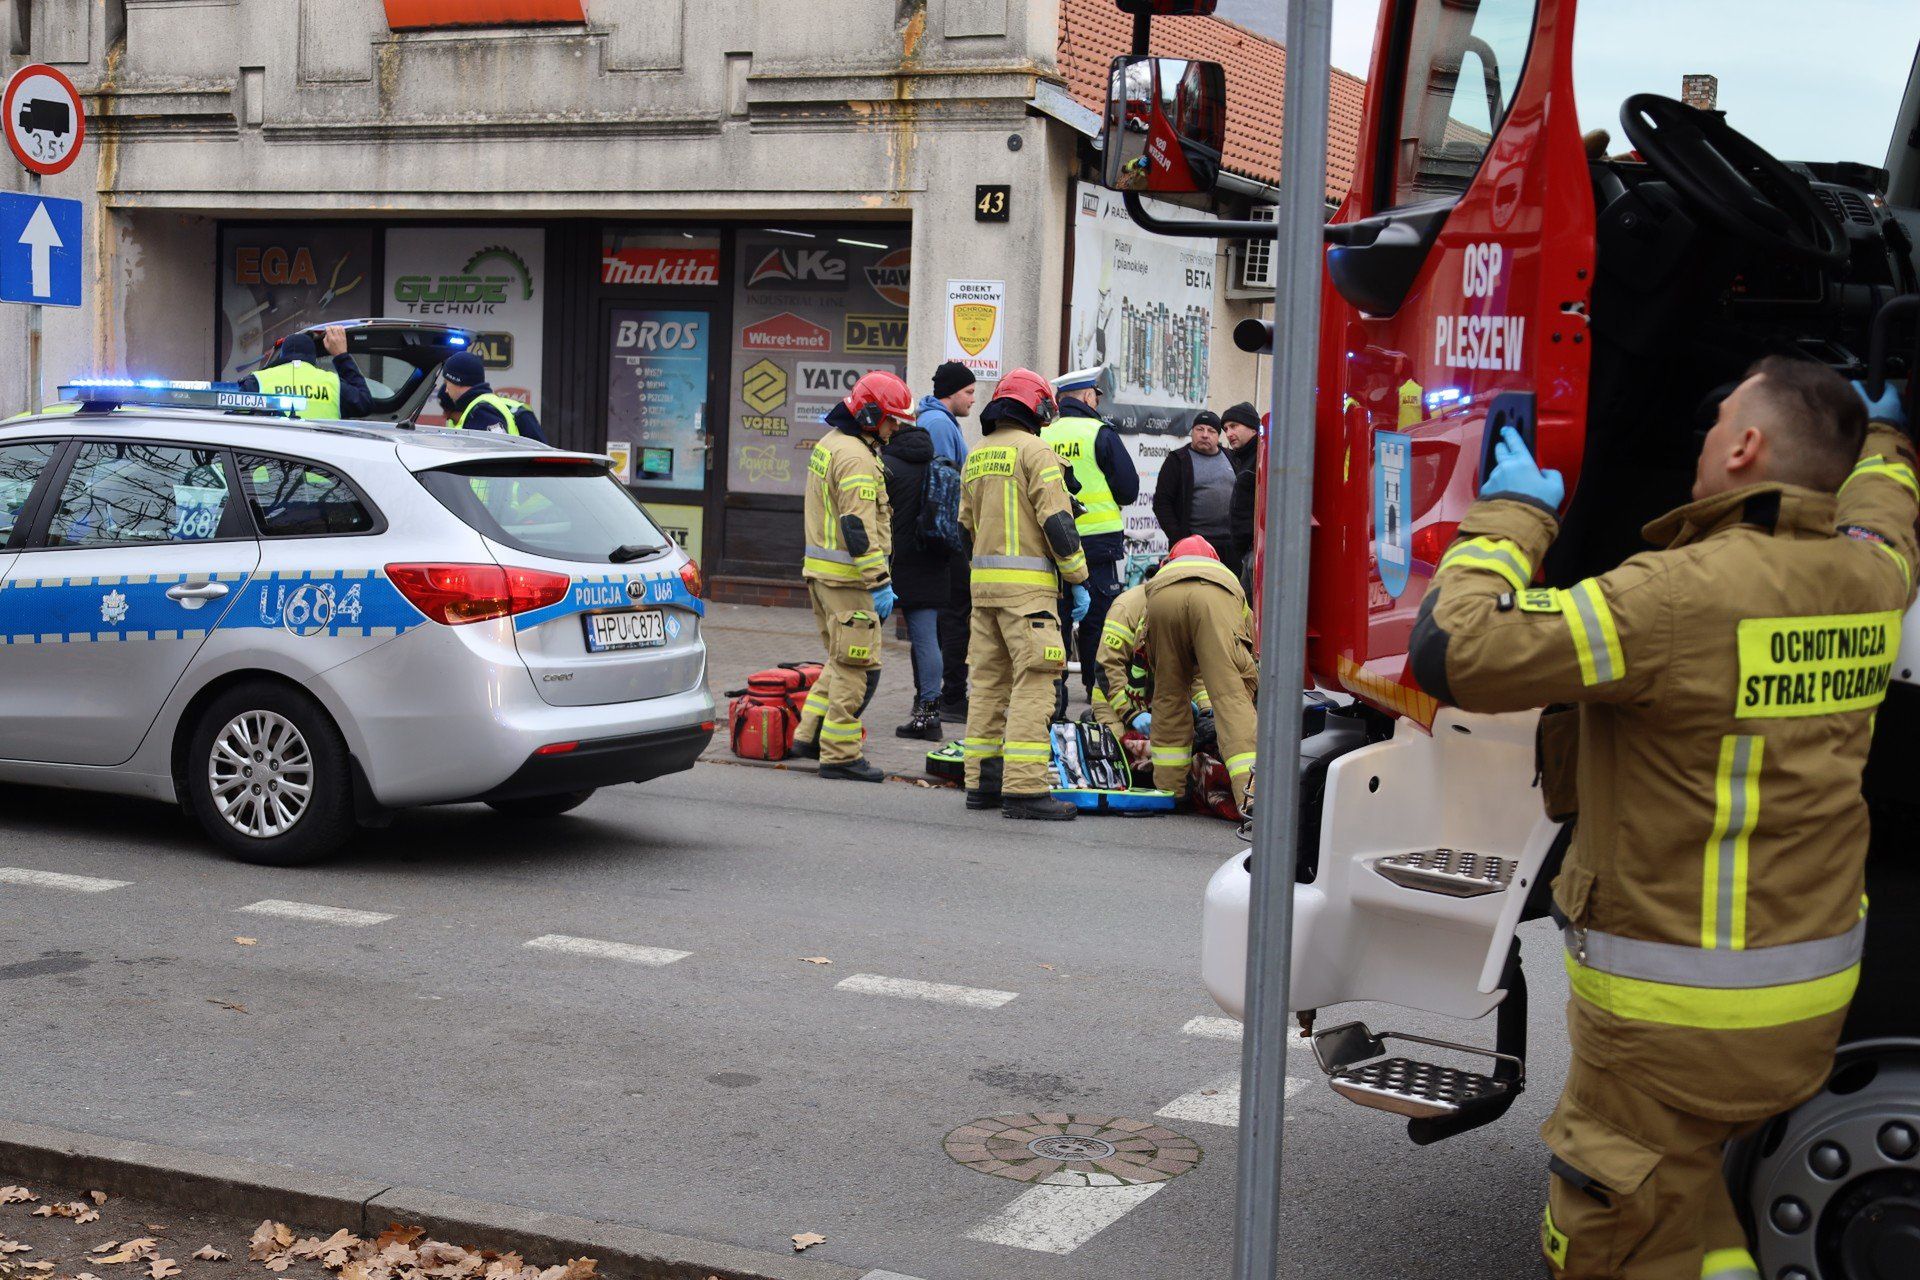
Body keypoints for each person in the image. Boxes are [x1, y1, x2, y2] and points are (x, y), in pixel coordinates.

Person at [1407, 361, 1917, 1280]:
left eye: (1717, 419)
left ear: (1744, 446)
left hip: (1672, 1028)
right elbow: (1888, 513)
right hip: (1805, 1010)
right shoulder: (1872, 574)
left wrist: (1513, 512)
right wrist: (1884, 441)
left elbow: (1456, 651)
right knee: (1687, 1217)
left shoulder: (1673, 595)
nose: (1706, 434)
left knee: (1612, 1238)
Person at [959, 368, 1090, 820]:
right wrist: (1077, 577)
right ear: (1038, 407)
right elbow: (1058, 522)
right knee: (1035, 685)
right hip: (1029, 598)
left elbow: (964, 527)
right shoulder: (1036, 451)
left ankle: (982, 785)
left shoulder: (977, 453)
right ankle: (1025, 789)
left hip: (984, 594)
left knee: (988, 687)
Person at [790, 370, 916, 782]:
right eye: (892, 419)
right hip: (850, 580)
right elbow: (857, 527)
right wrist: (880, 582)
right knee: (858, 667)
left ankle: (808, 735)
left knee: (840, 660)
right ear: (870, 415)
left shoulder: (832, 444)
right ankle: (840, 754)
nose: (895, 428)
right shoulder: (856, 457)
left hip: (824, 576)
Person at [1043, 364, 1140, 704]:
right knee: (1097, 619)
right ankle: (1095, 689)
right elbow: (1128, 489)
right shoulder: (1100, 433)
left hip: (1054, 541)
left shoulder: (1043, 434)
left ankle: (1053, 690)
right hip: (1098, 543)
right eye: (1096, 397)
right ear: (1087, 397)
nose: (1097, 402)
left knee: (1056, 615)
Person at [1143, 535, 1257, 809]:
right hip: (1213, 600)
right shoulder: (1224, 576)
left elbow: (1145, 651)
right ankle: (1251, 796)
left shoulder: (1164, 574)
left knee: (1169, 697)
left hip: (1162, 599)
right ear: (1213, 558)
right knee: (1231, 699)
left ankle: (1170, 789)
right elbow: (1249, 643)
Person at [881, 402, 950, 740]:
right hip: (934, 560)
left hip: (892, 562)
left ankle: (842, 712)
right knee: (926, 639)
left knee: (859, 635)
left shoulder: (886, 466)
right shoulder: (936, 465)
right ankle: (929, 714)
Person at [920, 361, 976, 725]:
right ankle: (952, 696)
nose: (972, 399)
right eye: (968, 392)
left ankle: (938, 694)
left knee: (946, 616)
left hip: (941, 534)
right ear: (952, 392)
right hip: (947, 533)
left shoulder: (937, 420)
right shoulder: (940, 424)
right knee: (956, 615)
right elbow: (944, 486)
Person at [241, 326, 372, 420]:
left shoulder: (258, 380)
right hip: (320, 451)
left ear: (282, 356)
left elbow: (236, 418)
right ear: (314, 359)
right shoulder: (333, 383)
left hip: (270, 451)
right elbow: (364, 404)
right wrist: (341, 356)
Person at [1152, 410, 1236, 556]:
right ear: (1192, 432)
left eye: (1211, 431)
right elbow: (1162, 503)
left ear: (1218, 436)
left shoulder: (1232, 458)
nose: (1205, 435)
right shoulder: (1177, 460)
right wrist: (1180, 540)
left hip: (1230, 545)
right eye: (1200, 429)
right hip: (1192, 547)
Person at [438, 351, 548, 443]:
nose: (446, 390)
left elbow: (491, 456)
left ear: (457, 380)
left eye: (447, 383)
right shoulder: (481, 407)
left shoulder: (481, 411)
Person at [1223, 402, 1261, 581]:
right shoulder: (1243, 458)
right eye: (1225, 429)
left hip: (1257, 551)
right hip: (1247, 552)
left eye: (1234, 426)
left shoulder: (1262, 457)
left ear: (1253, 428)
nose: (1229, 433)